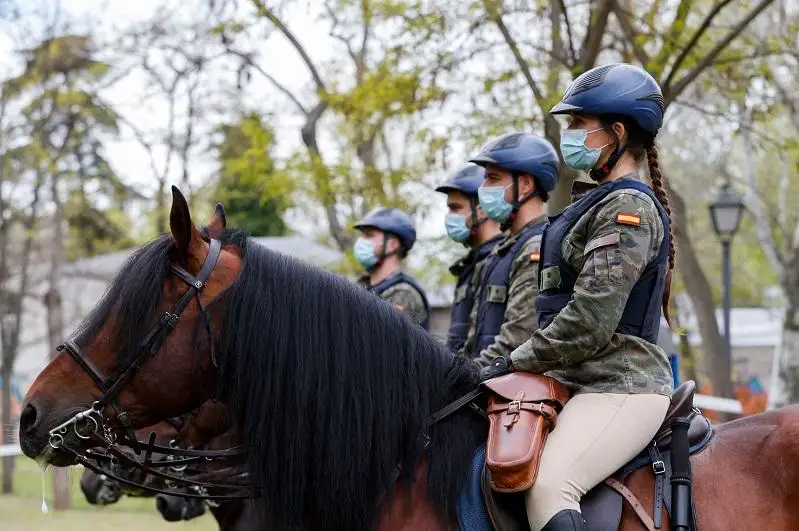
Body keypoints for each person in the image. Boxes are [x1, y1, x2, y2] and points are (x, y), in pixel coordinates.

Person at [481, 63, 676, 531]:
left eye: (577, 125)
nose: (568, 134)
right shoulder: (592, 202)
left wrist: (513, 360)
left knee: (551, 486)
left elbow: (590, 320)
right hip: (575, 382)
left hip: (619, 386)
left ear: (617, 132)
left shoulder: (628, 208)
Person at [463, 132, 560, 367]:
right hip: (488, 383)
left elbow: (517, 339)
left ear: (525, 184)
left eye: (493, 179)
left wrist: (463, 378)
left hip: (513, 390)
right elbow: (475, 337)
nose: (483, 188)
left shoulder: (537, 247)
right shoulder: (504, 250)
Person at [435, 164, 502, 354]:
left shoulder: (499, 260)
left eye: (455, 208)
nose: (449, 217)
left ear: (481, 209)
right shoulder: (470, 265)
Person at [354, 207, 431, 329]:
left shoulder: (403, 294)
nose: (361, 242)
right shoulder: (363, 287)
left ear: (392, 245)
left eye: (369, 235)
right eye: (362, 235)